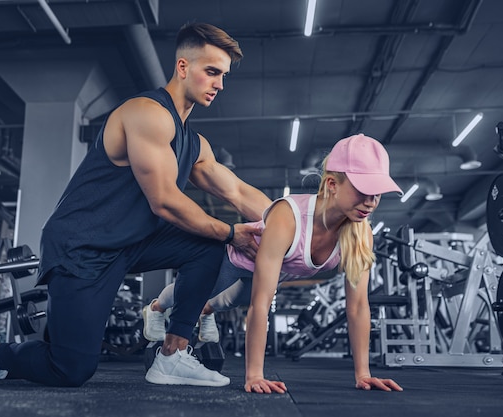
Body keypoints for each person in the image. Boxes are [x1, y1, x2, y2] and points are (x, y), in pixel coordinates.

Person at [0, 22, 272, 387]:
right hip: (83, 246)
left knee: (209, 246)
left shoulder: (195, 144)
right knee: (70, 368)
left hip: (130, 244)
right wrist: (232, 231)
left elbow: (238, 193)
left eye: (223, 75)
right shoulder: (146, 114)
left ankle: (173, 354)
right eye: (211, 72)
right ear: (182, 67)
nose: (219, 84)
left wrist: (294, 226)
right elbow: (164, 202)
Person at [143, 134, 405, 394]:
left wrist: (364, 374)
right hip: (240, 259)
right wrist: (254, 375)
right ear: (332, 184)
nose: (371, 202)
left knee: (226, 302)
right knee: (193, 294)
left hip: (275, 272)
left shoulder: (360, 233)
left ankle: (206, 311)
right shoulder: (289, 216)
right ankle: (155, 307)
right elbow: (261, 305)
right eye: (363, 191)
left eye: (377, 194)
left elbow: (358, 306)